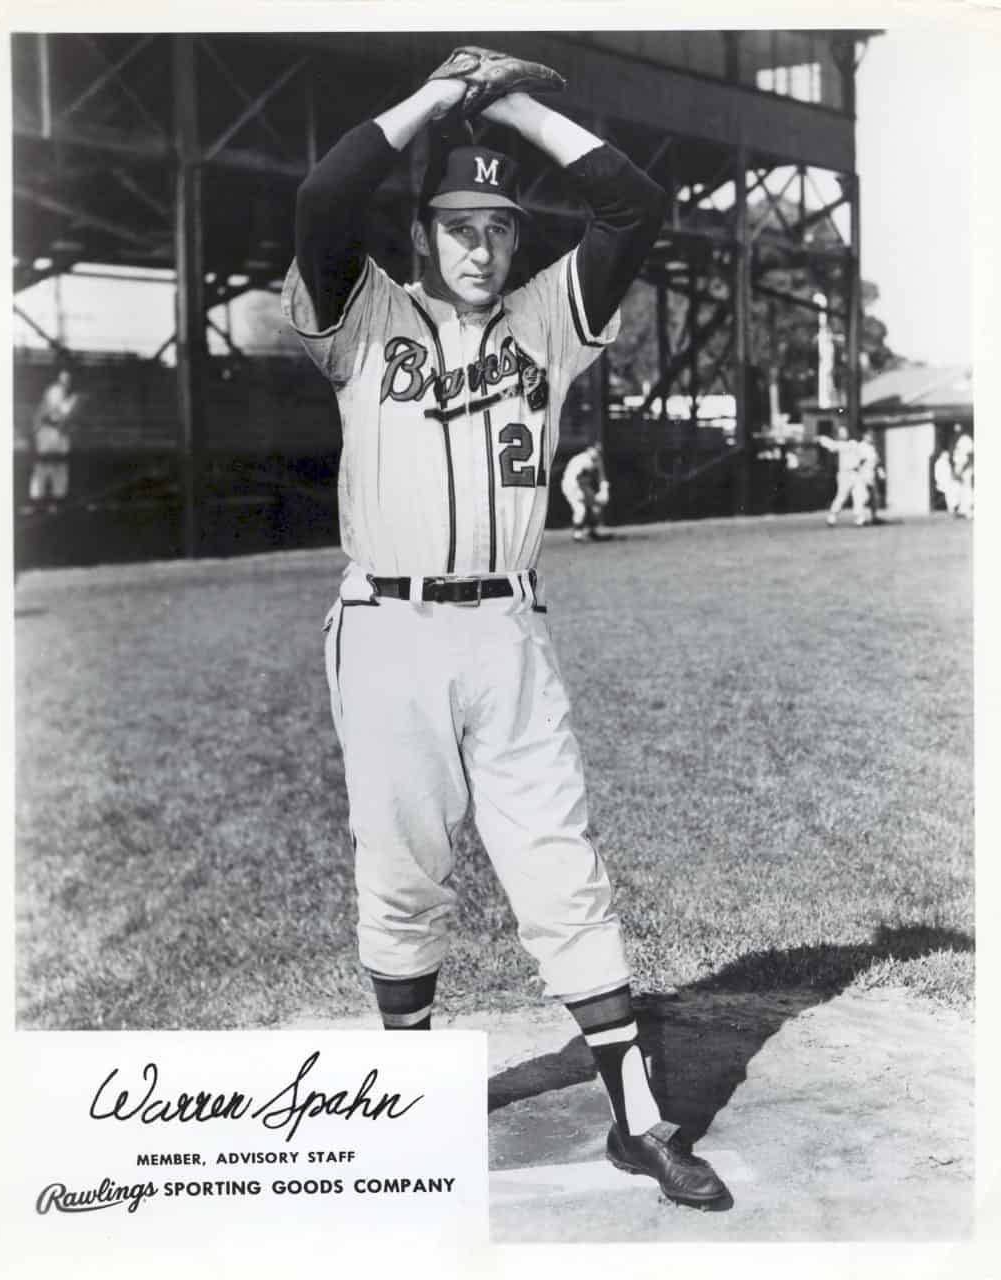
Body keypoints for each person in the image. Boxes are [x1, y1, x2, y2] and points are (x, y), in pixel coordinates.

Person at [281, 49, 728, 1209]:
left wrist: (511, 104)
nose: (482, 245)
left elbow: (639, 204)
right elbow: (324, 200)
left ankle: (638, 1120)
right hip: (389, 626)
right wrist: (436, 94)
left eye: (499, 226)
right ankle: (405, 1115)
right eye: (460, 224)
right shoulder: (363, 314)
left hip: (509, 633)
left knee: (559, 865)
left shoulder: (547, 318)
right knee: (402, 867)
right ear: (424, 234)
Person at [28, 367, 80, 508]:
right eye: (64, 379)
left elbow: (67, 417)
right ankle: (37, 501)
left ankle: (56, 501)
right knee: (43, 465)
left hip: (60, 436)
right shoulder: (54, 391)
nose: (66, 382)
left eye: (69, 379)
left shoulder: (73, 397)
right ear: (59, 379)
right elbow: (51, 414)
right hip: (47, 434)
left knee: (60, 466)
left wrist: (67, 423)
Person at [816, 422, 864, 526]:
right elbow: (831, 445)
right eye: (841, 433)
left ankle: (859, 518)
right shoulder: (840, 445)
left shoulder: (853, 443)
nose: (844, 434)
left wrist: (822, 439)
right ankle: (832, 516)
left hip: (856, 473)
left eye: (844, 432)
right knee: (842, 496)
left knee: (858, 495)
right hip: (845, 474)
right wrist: (821, 439)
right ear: (838, 435)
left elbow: (861, 455)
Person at [561, 441, 609, 540]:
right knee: (580, 510)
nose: (597, 452)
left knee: (596, 506)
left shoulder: (597, 459)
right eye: (595, 450)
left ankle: (592, 532)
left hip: (583, 486)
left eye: (599, 450)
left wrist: (604, 490)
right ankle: (577, 535)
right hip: (571, 486)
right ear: (589, 449)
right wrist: (579, 492)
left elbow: (601, 477)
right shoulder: (580, 460)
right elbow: (574, 477)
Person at [951, 424, 974, 519]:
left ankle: (968, 511)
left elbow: (970, 455)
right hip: (960, 468)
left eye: (959, 430)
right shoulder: (957, 440)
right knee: (958, 489)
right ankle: (961, 510)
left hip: (966, 468)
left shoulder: (966, 439)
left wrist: (963, 468)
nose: (957, 432)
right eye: (956, 431)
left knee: (967, 488)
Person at [933, 444, 958, 515]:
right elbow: (937, 475)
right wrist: (942, 482)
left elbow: (950, 474)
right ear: (942, 454)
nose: (947, 456)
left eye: (948, 454)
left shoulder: (947, 463)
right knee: (950, 491)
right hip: (942, 483)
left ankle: (954, 506)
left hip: (949, 482)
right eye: (946, 454)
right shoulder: (939, 463)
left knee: (956, 487)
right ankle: (951, 507)